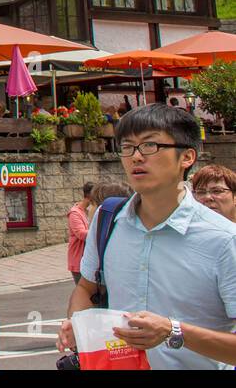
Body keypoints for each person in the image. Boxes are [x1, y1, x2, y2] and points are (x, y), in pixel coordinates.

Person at [57, 104, 236, 369]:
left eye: (150, 146)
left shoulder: (224, 239)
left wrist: (172, 331)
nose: (136, 157)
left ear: (187, 157)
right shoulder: (107, 221)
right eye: (127, 147)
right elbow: (86, 288)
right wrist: (79, 325)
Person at [66, 182, 94, 283]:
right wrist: (100, 231)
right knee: (83, 292)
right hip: (78, 260)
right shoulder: (74, 213)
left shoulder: (89, 210)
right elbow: (81, 234)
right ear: (89, 195)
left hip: (88, 258)